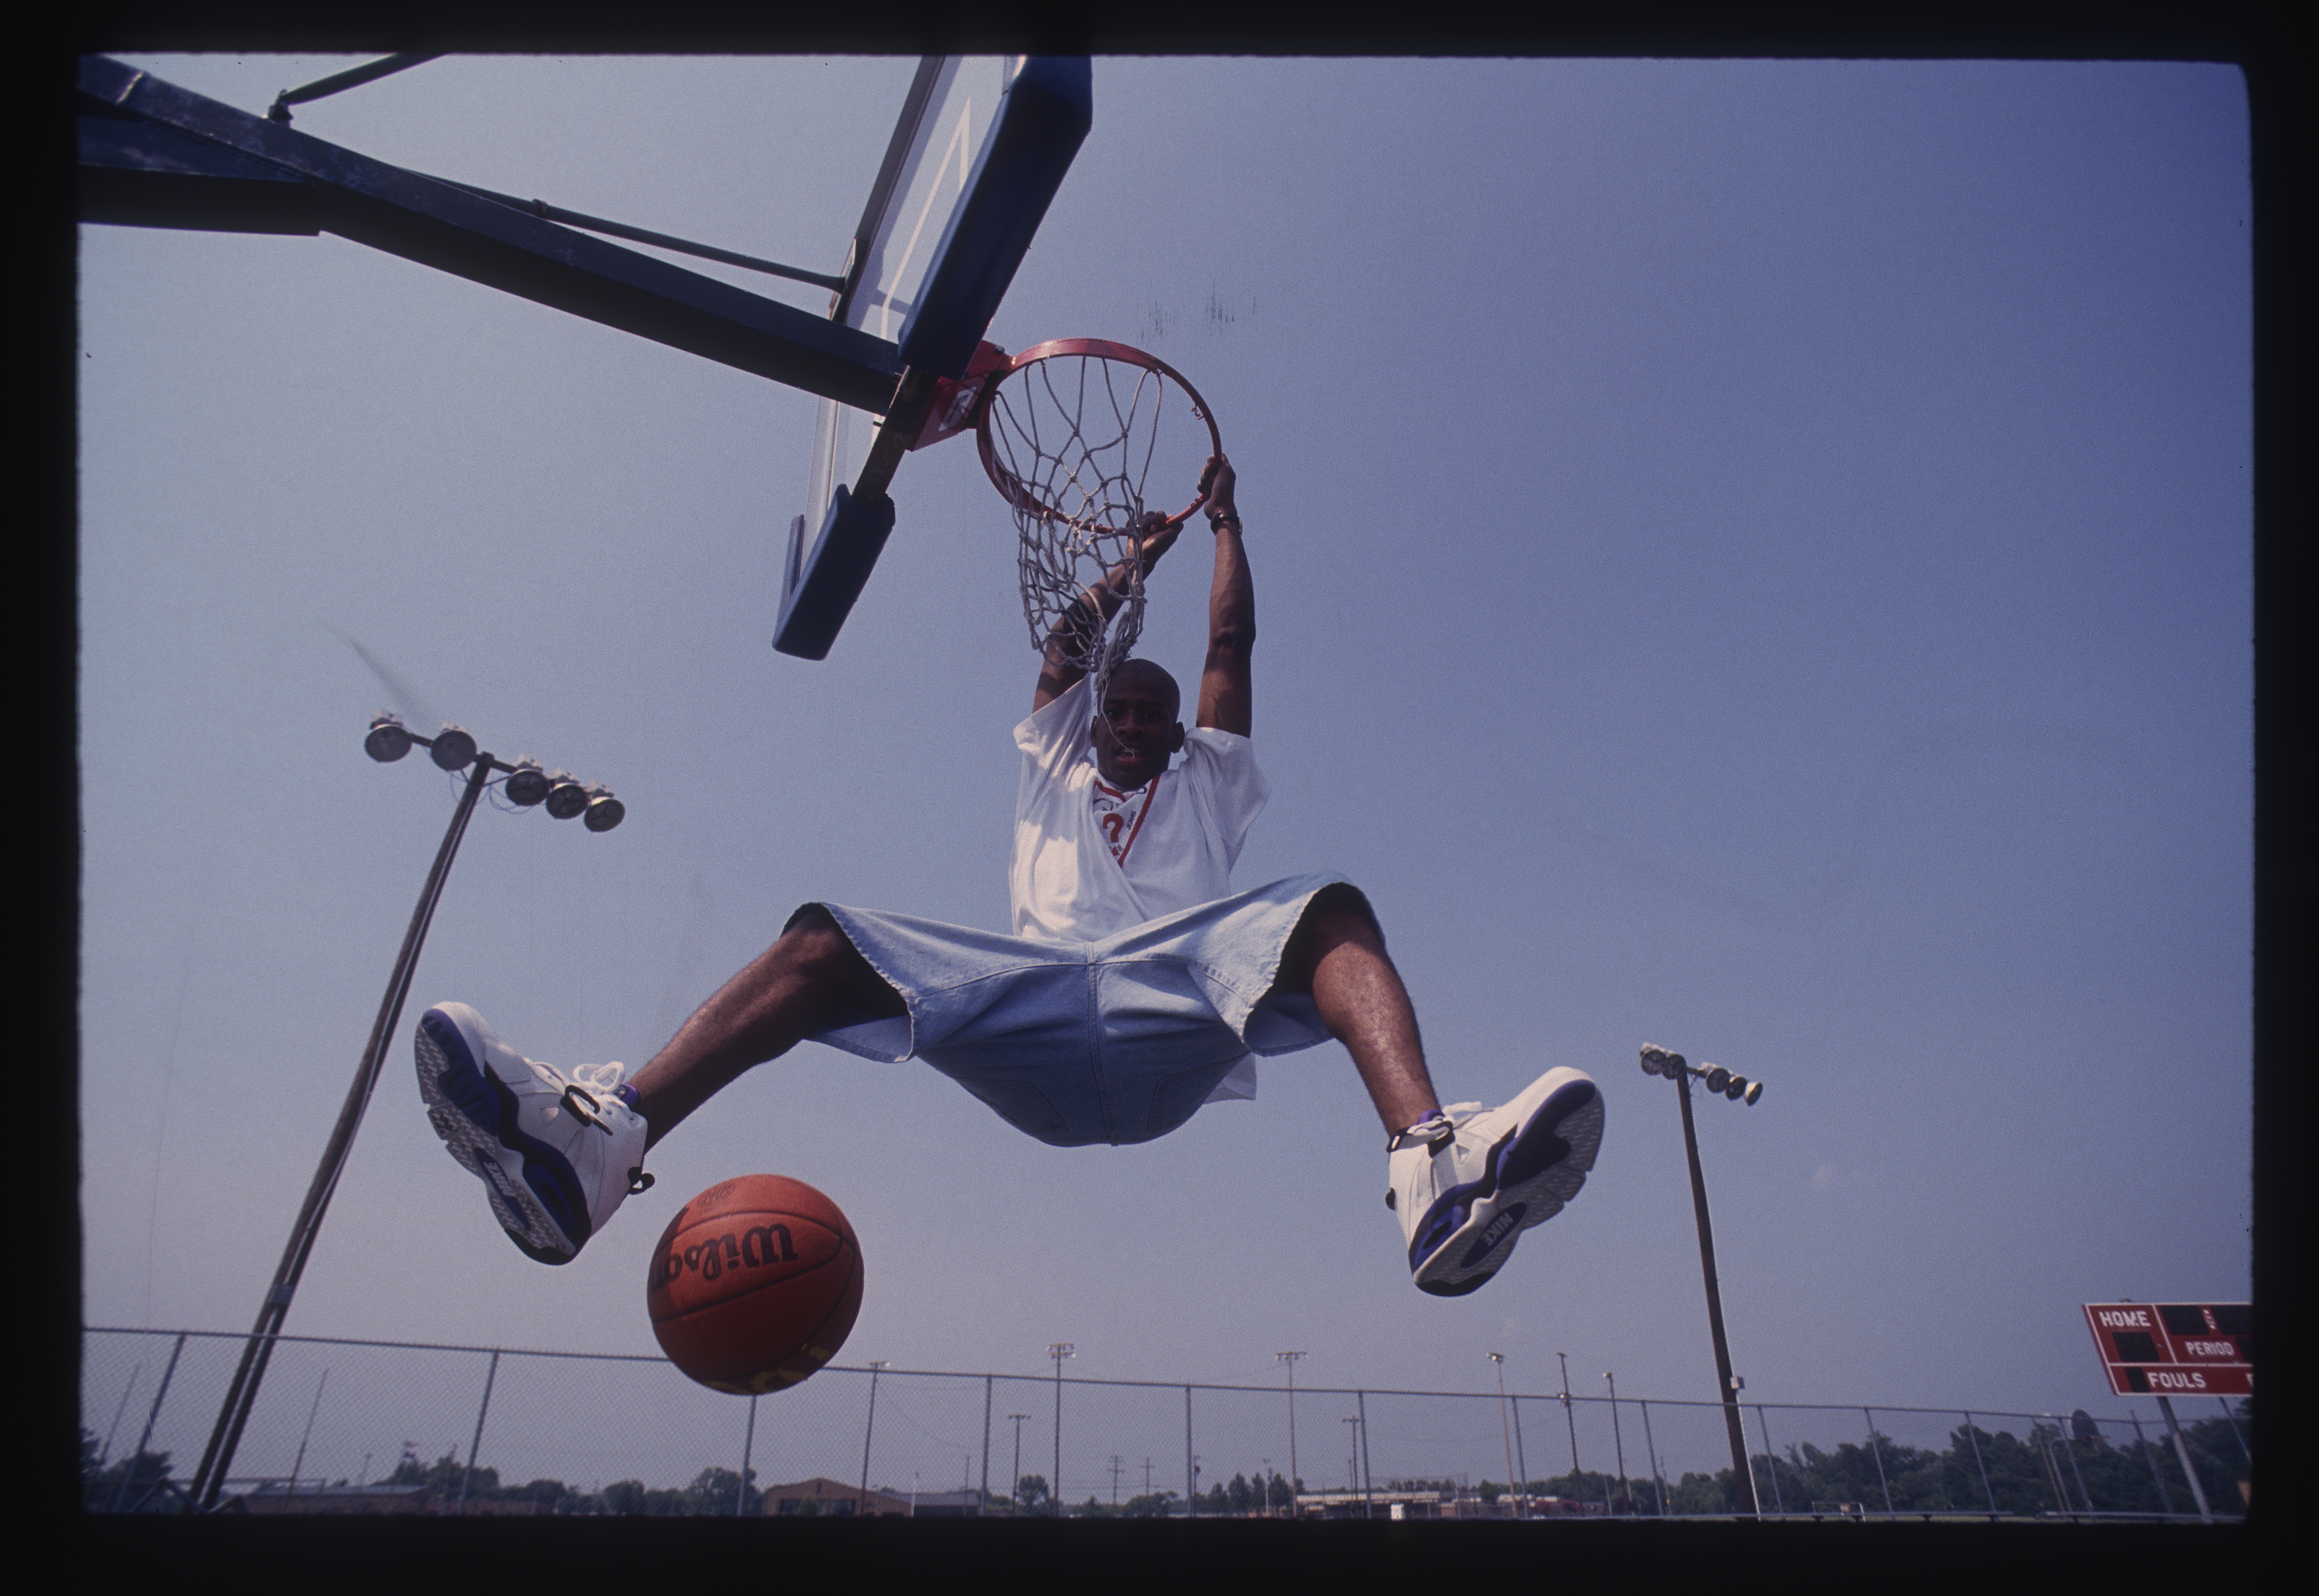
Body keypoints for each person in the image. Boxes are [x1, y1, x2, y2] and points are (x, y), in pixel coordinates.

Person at [416, 456, 1602, 1296]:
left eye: (1151, 710)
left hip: (1173, 1006)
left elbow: (1232, 646)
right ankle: (594, 1147)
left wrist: (1230, 529)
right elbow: (1064, 652)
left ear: (1179, 730)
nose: (1129, 720)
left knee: (1329, 906)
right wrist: (1135, 563)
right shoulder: (1052, 762)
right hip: (1025, 999)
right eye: (1116, 707)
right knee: (822, 941)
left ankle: (1435, 1168)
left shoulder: (1207, 782)